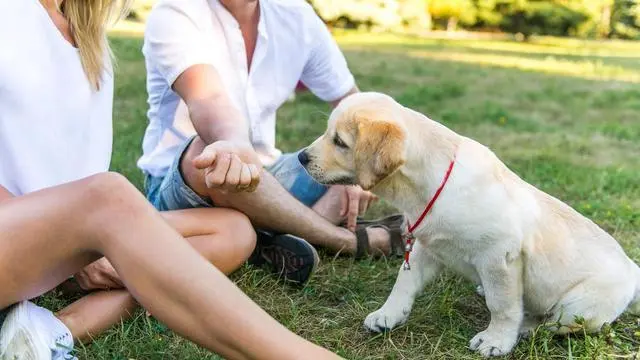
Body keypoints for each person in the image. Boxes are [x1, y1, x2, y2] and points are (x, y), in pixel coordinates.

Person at [0, 1, 339, 359]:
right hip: (21, 228)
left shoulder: (85, 34)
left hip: (52, 237)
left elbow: (208, 99)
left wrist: (75, 243)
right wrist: (59, 236)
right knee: (109, 196)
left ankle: (49, 330)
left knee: (233, 231)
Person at [138, 0, 406, 283]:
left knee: (343, 164)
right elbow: (208, 100)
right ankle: (341, 239)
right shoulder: (176, 12)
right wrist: (236, 147)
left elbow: (353, 104)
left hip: (268, 175)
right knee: (216, 154)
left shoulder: (297, 15)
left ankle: (265, 241)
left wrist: (358, 169)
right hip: (188, 187)